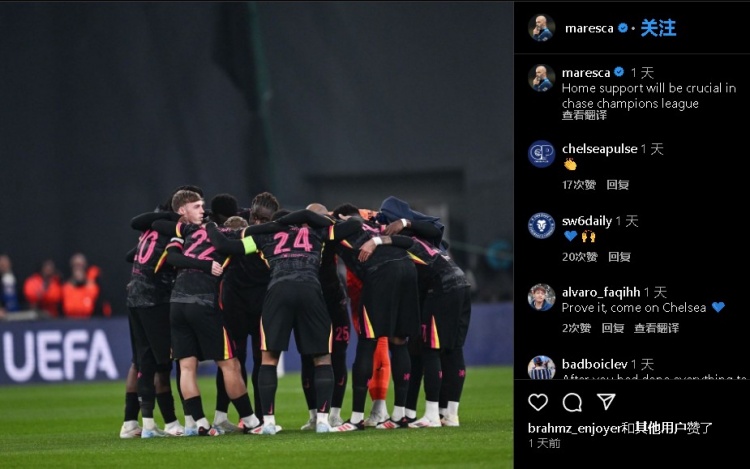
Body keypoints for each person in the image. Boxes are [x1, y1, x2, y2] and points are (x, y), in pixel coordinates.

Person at [207, 207, 361, 434]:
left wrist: (210, 226)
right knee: (322, 358)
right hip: (310, 289)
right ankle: (322, 421)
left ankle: (268, 422)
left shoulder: (264, 237)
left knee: (268, 358)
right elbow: (355, 224)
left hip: (277, 291)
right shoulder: (316, 233)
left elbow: (225, 246)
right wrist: (323, 219)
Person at [152, 189, 262, 436]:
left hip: (177, 303)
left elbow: (171, 255)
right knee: (230, 364)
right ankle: (251, 421)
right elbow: (248, 244)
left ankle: (200, 423)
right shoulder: (227, 236)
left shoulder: (185, 233)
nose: (203, 210)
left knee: (186, 367)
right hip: (202, 302)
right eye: (198, 206)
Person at [327, 203, 421, 432]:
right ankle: (400, 415)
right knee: (399, 342)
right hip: (407, 270)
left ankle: (356, 418)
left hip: (381, 273)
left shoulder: (341, 228)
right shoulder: (378, 226)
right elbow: (411, 242)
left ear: (341, 217)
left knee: (367, 343)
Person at [212, 191, 281, 433]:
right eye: (255, 217)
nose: (258, 222)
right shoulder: (240, 222)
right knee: (232, 361)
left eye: (264, 219)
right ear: (249, 212)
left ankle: (260, 417)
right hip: (235, 301)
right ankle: (224, 416)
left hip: (262, 301)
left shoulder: (275, 230)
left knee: (262, 361)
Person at [125, 200, 186, 438]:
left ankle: (134, 423)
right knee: (160, 363)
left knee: (141, 361)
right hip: (155, 300)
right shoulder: (172, 233)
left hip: (135, 298)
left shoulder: (148, 233)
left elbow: (129, 256)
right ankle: (167, 423)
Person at [298, 203, 352, 430]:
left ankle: (335, 414)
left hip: (333, 301)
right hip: (311, 301)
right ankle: (314, 416)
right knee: (308, 358)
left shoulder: (332, 234)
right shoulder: (299, 237)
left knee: (338, 356)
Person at [61, 253, 110, 319]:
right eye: (76, 265)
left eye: (81, 265)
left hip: (90, 321)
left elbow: (104, 309)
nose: (78, 268)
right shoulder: (65, 288)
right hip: (68, 321)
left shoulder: (93, 288)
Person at [0, 253, 23, 318]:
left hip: (18, 312)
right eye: (1, 264)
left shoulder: (17, 278)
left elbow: (22, 295)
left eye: (5, 263)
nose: (3, 265)